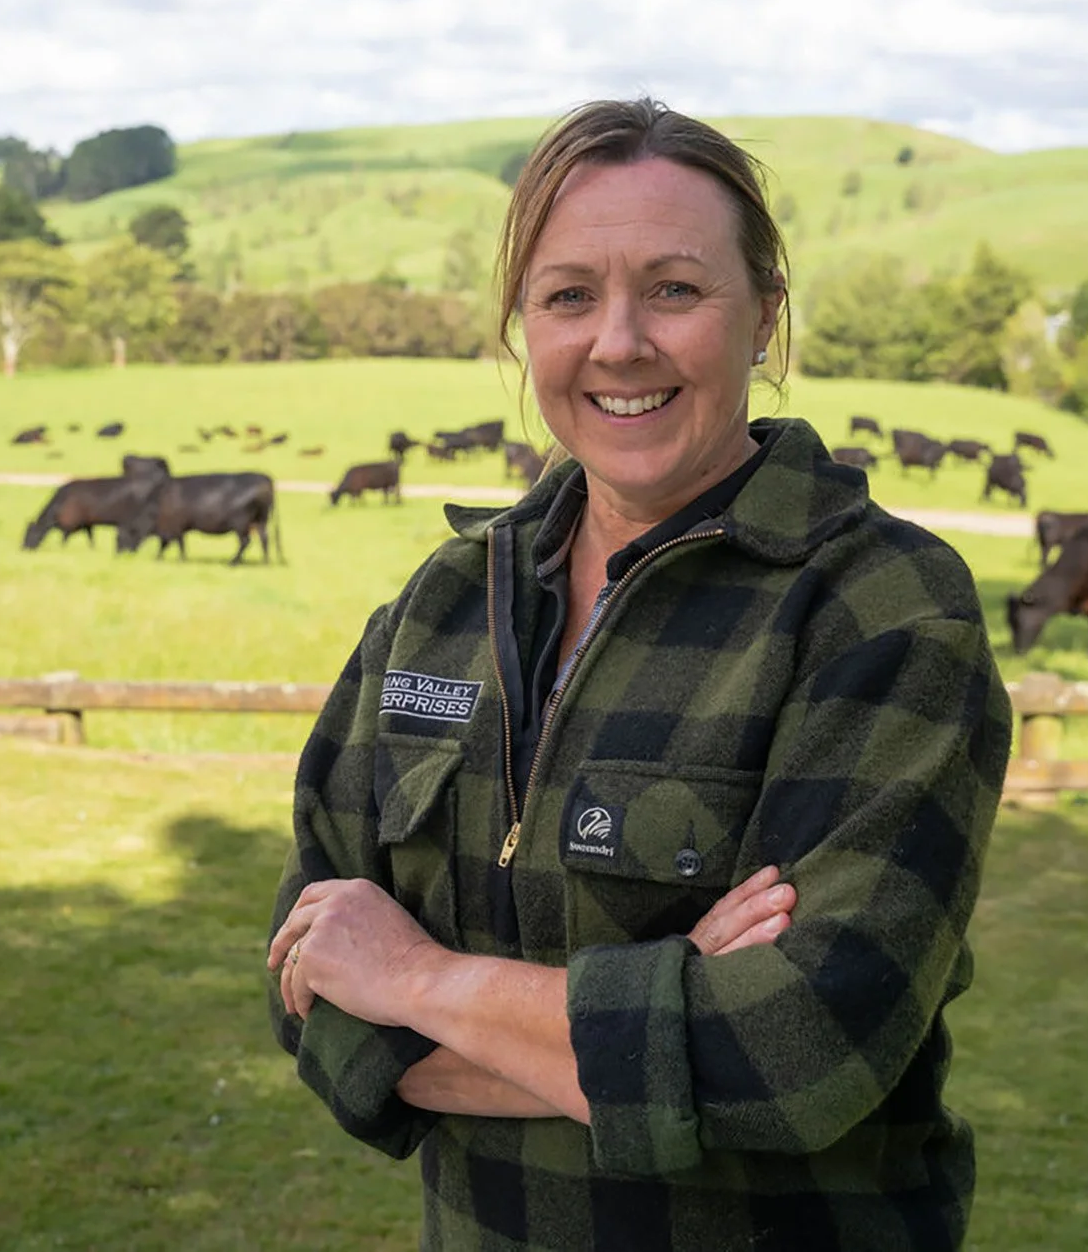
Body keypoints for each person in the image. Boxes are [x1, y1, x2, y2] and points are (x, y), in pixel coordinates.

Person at [266, 98, 1012, 1250]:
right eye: (568, 295)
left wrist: (413, 980)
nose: (618, 342)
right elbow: (307, 993)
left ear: (761, 314)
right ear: (524, 325)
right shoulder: (442, 605)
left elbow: (800, 1053)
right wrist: (667, 1011)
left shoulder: (878, 607)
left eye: (673, 288)